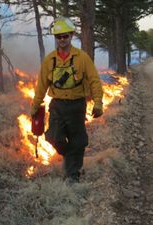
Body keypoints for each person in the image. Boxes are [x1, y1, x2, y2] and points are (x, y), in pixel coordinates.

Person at [31, 17, 103, 184]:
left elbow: (94, 81)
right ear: (55, 38)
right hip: (57, 105)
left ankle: (72, 175)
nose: (62, 40)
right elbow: (41, 85)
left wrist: (98, 103)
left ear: (71, 36)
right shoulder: (49, 60)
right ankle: (71, 155)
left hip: (77, 105)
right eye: (59, 37)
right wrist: (35, 105)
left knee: (78, 140)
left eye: (65, 36)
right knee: (53, 137)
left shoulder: (82, 58)